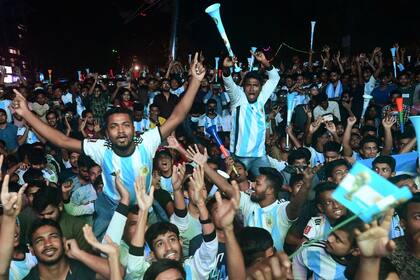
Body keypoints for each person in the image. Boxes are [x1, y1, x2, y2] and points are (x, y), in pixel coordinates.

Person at [11, 53, 206, 239]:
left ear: (133, 128)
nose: (121, 131)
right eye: (114, 126)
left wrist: (195, 81)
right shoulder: (101, 147)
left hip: (143, 203)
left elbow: (177, 116)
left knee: (163, 235)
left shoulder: (146, 141)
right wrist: (27, 114)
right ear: (106, 133)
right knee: (101, 247)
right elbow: (62, 141)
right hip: (110, 205)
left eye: (125, 125)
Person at [222, 51, 280, 176]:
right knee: (236, 184)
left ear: (260, 87)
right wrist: (226, 68)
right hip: (239, 156)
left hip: (260, 155)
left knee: (269, 182)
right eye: (248, 85)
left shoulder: (262, 97)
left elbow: (275, 78)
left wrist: (264, 61)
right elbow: (228, 83)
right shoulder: (238, 98)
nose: (252, 88)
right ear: (243, 87)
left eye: (256, 85)